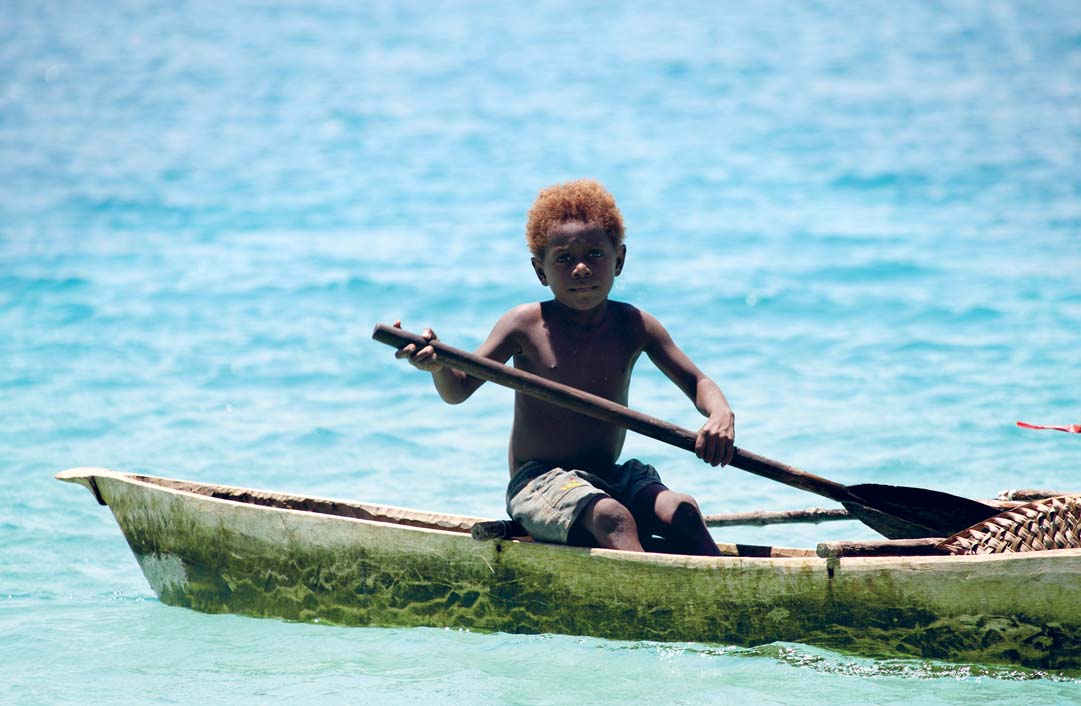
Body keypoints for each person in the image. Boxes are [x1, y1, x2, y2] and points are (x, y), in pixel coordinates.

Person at [393, 179, 734, 556]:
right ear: (541, 272)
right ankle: (644, 604)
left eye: (594, 254)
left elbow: (699, 381)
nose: (582, 269)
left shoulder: (635, 325)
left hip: (609, 476)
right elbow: (457, 389)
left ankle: (729, 600)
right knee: (613, 519)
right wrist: (438, 364)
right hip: (539, 484)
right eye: (564, 259)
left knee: (683, 512)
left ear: (619, 260)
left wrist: (720, 414)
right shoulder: (524, 325)